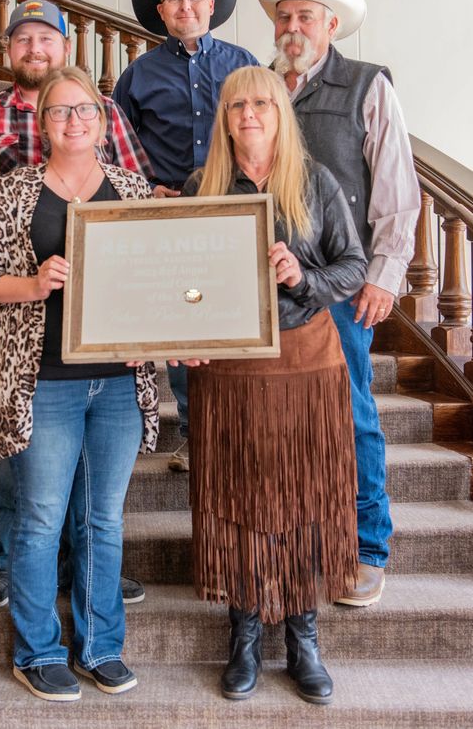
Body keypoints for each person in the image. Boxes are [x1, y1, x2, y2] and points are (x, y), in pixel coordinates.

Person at [0, 0, 150, 610]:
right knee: (14, 440)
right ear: (9, 50)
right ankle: (11, 561)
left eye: (45, 38)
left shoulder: (101, 112)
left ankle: (90, 562)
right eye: (22, 39)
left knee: (91, 450)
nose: (34, 48)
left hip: (101, 326)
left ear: (64, 48)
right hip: (12, 313)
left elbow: (139, 207)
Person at [0, 66, 159, 702]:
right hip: (43, 382)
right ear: (41, 123)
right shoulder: (13, 191)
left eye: (86, 111)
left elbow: (161, 284)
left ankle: (101, 646)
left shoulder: (132, 190)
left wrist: (159, 335)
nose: (74, 121)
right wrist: (35, 284)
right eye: (60, 112)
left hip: (120, 385)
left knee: (102, 520)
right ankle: (37, 650)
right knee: (42, 518)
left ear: (103, 123)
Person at [184, 65, 367, 704]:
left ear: (281, 113)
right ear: (224, 117)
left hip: (306, 365)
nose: (250, 114)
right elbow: (184, 287)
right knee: (235, 498)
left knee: (308, 499)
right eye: (238, 105)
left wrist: (301, 278)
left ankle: (302, 636)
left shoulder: (315, 182)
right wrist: (187, 337)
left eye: (263, 103)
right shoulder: (200, 186)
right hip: (231, 373)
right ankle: (243, 634)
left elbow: (354, 267)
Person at [256, 0, 420, 606]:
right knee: (282, 421)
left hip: (341, 286)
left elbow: (397, 190)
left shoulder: (366, 85)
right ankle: (298, 539)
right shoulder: (258, 87)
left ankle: (367, 546)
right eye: (284, 16)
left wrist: (384, 275)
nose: (292, 27)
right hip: (265, 290)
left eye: (305, 16)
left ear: (330, 25)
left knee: (351, 414)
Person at [113, 0, 260, 471]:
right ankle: (195, 433)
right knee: (184, 315)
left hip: (236, 212)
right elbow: (115, 150)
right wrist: (146, 190)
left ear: (212, 6)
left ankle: (242, 430)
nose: (186, 5)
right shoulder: (138, 75)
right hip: (169, 213)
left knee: (240, 312)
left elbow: (271, 132)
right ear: (162, 11)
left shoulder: (244, 64)